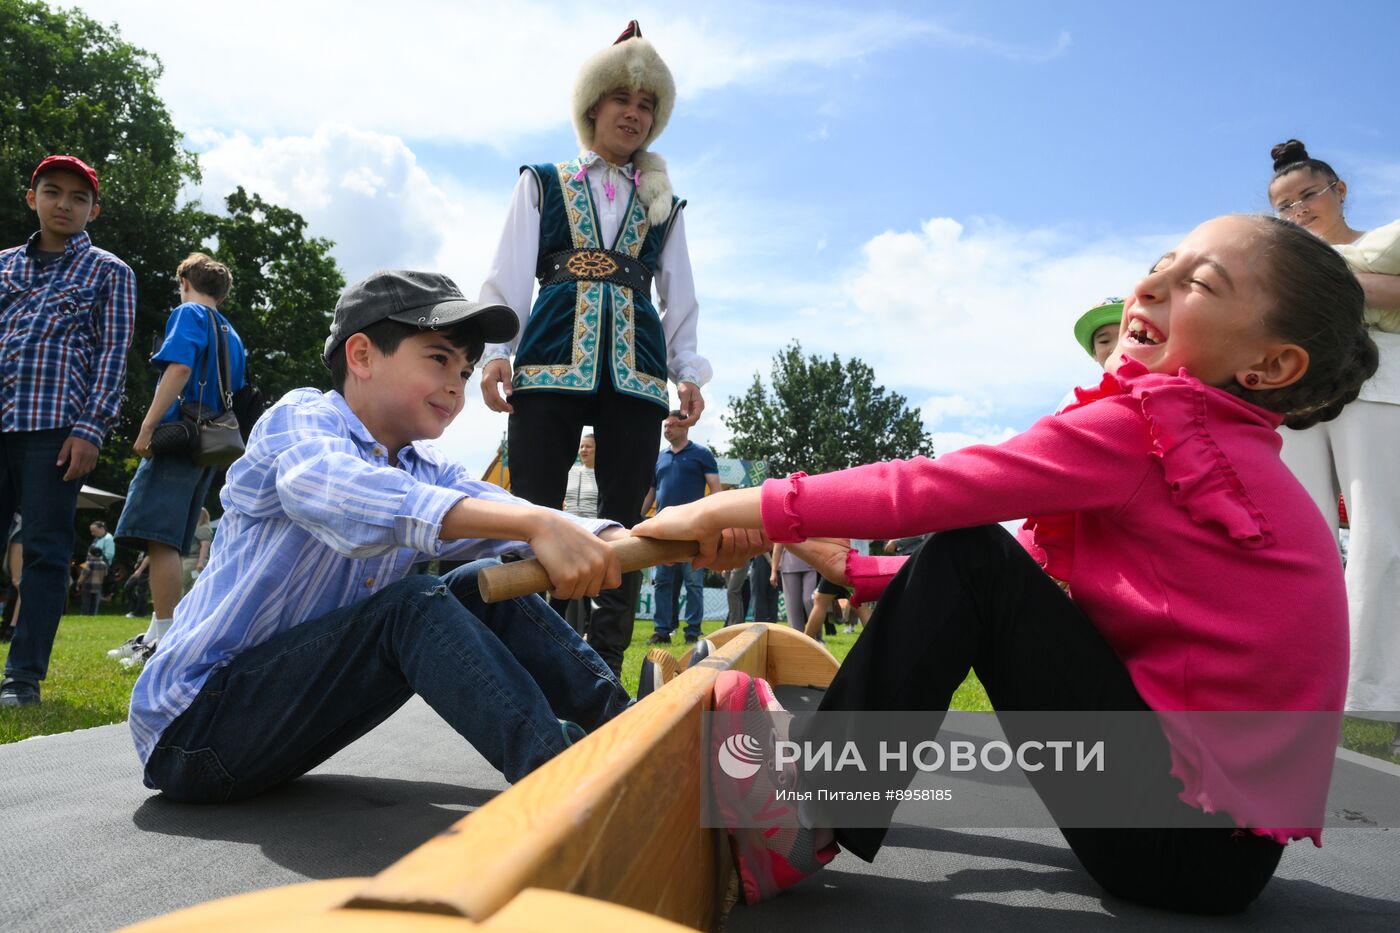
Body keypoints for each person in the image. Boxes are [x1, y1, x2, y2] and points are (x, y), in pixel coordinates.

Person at [637, 215, 1377, 913]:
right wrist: (850, 570)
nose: (1149, 288)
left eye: (1201, 284)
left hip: (1178, 841)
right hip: (1219, 860)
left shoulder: (1158, 429)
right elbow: (1023, 578)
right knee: (973, 553)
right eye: (1159, 266)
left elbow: (931, 491)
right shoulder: (1217, 452)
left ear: (1270, 363)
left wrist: (714, 509)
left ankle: (806, 816)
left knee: (967, 543)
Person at [128, 269, 639, 802]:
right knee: (412, 605)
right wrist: (537, 524)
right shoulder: (300, 419)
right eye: (439, 358)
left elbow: (508, 509)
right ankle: (564, 783)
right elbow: (336, 490)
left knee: (478, 583)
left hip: (281, 719)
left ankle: (629, 728)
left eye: (465, 372)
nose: (455, 386)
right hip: (191, 730)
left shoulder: (426, 466)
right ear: (362, 356)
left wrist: (630, 534)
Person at [477, 21, 710, 675]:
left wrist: (687, 369)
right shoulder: (543, 181)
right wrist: (499, 349)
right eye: (622, 102)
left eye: (646, 107)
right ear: (593, 107)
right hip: (550, 356)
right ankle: (536, 651)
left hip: (636, 370)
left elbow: (680, 290)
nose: (633, 115)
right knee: (533, 505)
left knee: (626, 515)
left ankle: (602, 660)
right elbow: (509, 270)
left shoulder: (665, 203)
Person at [1267, 140, 1400, 753]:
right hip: (1295, 399)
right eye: (1284, 207)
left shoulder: (1382, 246)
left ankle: (1373, 697)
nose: (1298, 211)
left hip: (1376, 387)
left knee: (1380, 534)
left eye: (1307, 197)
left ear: (1339, 189)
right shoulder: (1280, 262)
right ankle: (1296, 690)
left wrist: (1338, 276)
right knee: (1299, 539)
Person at [0, 155, 137, 708]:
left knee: (47, 552)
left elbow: (112, 356)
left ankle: (22, 678)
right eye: (52, 192)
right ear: (31, 198)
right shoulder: (3, 265)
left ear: (93, 210)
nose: (64, 204)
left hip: (57, 430)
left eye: (78, 198)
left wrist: (91, 429)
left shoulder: (109, 272)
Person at [113, 253, 247, 668]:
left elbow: (179, 369)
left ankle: (167, 643)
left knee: (160, 539)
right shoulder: (232, 333)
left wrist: (148, 426)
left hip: (178, 439)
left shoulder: (188, 313)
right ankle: (154, 634)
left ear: (185, 280)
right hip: (209, 445)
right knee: (169, 537)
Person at [640, 413, 720, 644]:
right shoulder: (659, 458)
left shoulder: (702, 454)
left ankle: (693, 631)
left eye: (673, 425)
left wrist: (716, 520)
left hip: (693, 529)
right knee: (663, 582)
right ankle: (662, 631)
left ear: (685, 427)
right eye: (665, 425)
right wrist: (639, 516)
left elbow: (715, 488)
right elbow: (651, 492)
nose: (667, 429)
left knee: (693, 582)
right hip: (663, 529)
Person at [561, 434, 599, 633]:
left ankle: (587, 630)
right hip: (569, 533)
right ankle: (562, 627)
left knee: (589, 584)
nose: (584, 450)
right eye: (582, 446)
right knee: (566, 580)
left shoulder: (602, 475)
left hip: (593, 534)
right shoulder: (572, 472)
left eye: (589, 447)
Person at [771, 543, 817, 632]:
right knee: (793, 606)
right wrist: (773, 571)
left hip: (810, 564)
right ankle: (798, 636)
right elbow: (777, 547)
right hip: (789, 566)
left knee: (809, 600)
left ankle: (816, 635)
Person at [181, 509, 214, 593]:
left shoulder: (203, 528)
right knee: (190, 589)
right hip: (191, 562)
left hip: (193, 562)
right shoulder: (198, 528)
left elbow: (205, 545)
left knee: (180, 586)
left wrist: (201, 562)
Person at [77, 545, 108, 616]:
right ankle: (93, 615)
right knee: (94, 603)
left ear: (90, 554)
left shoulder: (87, 564)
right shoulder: (104, 564)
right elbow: (105, 574)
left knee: (86, 602)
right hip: (98, 586)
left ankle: (84, 614)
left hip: (87, 585)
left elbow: (83, 575)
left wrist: (78, 583)